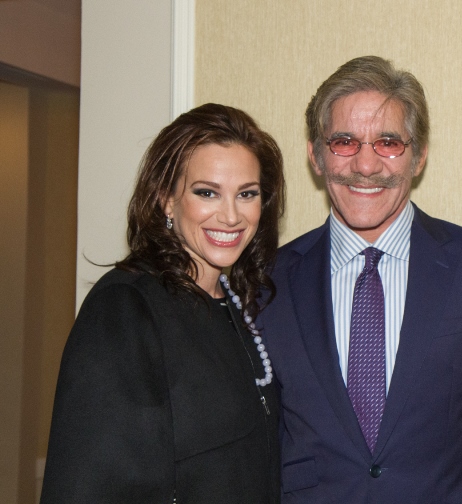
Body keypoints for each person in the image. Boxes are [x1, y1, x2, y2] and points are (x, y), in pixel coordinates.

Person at [256, 56, 462, 503]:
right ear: (316, 155)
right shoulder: (268, 281)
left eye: (388, 142)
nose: (366, 165)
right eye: (344, 142)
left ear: (419, 156)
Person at [40, 103, 285, 503]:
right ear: (166, 200)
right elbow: (88, 484)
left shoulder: (237, 304)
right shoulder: (126, 308)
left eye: (247, 194)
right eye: (207, 192)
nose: (231, 216)